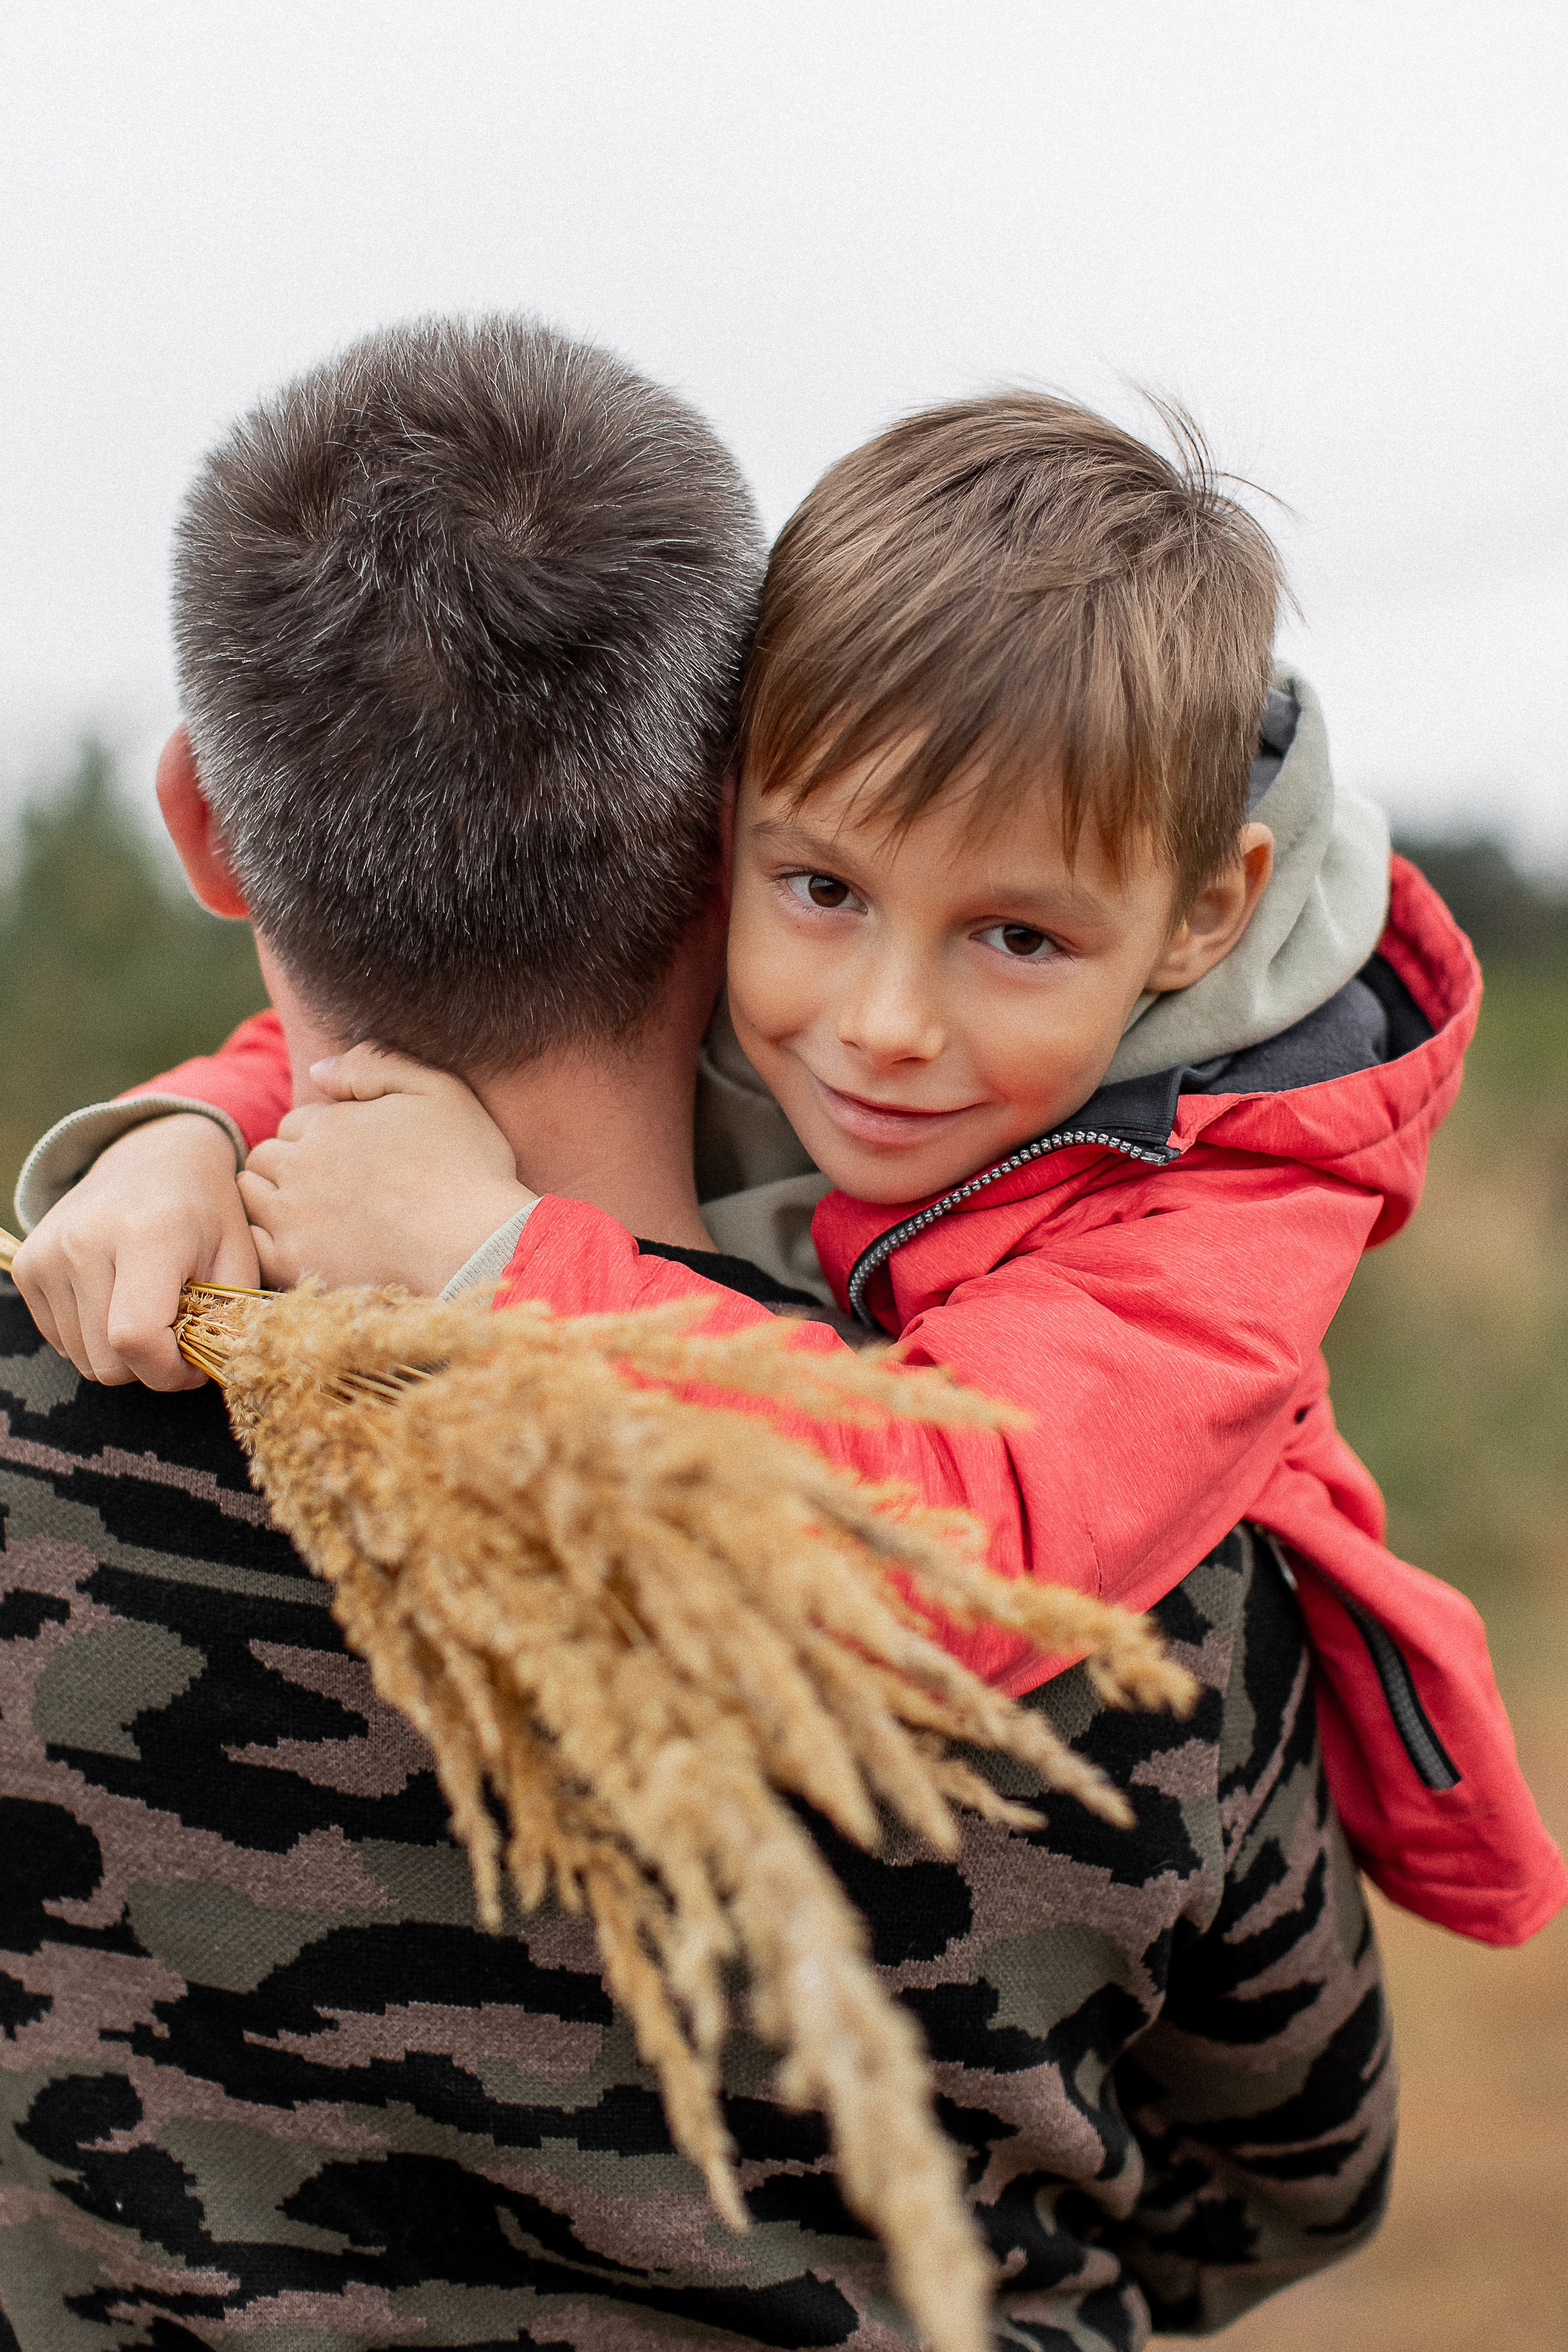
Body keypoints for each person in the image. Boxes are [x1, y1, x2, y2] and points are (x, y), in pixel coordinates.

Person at [3, 320, 1396, 2347]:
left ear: (204, 828)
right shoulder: (1133, 1571)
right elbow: (1278, 2190)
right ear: (708, 827)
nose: (902, 1015)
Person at [34, 391, 1558, 1951]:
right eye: (822, 886)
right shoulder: (822, 989)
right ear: (711, 835)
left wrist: (492, 1258)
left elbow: (951, 1553)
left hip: (1246, 1833)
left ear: (1200, 914)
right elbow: (402, 1008)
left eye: (1016, 937)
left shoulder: (1229, 1206)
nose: (880, 1027)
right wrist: (188, 1134)